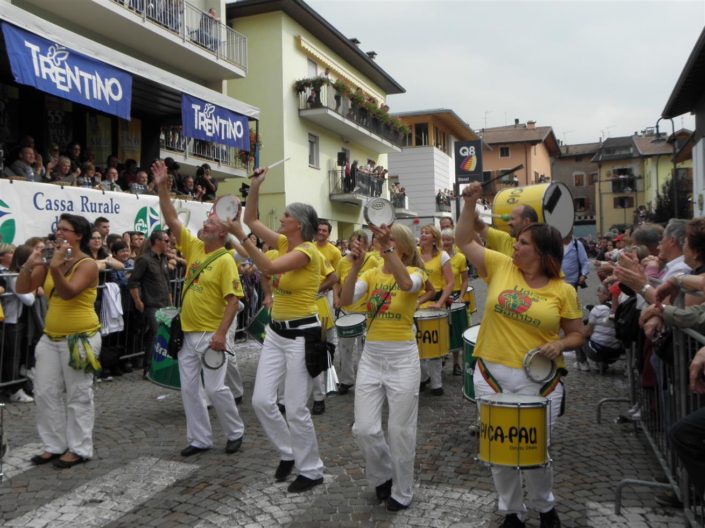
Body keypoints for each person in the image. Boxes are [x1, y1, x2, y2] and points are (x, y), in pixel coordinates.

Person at [455, 181, 584, 528]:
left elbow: (576, 334)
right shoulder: (500, 266)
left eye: (523, 243)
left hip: (539, 380)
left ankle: (545, 508)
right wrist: (469, 204)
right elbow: (464, 240)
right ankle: (511, 512)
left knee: (534, 453)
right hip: (492, 375)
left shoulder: (563, 290)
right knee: (500, 454)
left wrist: (559, 344)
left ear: (542, 253)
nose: (515, 245)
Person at [228, 166, 325, 493]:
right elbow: (252, 218)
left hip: (302, 335)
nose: (280, 220)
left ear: (299, 223)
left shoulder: (306, 252)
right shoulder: (285, 241)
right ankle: (288, 452)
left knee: (296, 408)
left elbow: (266, 266)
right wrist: (256, 184)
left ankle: (311, 469)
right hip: (277, 333)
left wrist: (242, 238)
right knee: (261, 402)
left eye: (285, 216)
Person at [151, 160, 245, 457]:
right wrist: (163, 189)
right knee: (191, 390)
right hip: (187, 334)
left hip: (211, 335)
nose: (204, 224)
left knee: (216, 389)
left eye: (211, 224)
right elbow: (172, 219)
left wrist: (221, 334)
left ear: (221, 235)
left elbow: (233, 301)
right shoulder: (192, 248)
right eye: (206, 221)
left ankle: (235, 431)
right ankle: (200, 438)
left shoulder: (226, 259)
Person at [340, 223, 427, 511]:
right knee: (364, 428)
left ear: (398, 245)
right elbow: (345, 299)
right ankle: (382, 476)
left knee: (400, 430)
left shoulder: (416, 273)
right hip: (372, 357)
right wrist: (356, 265)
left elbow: (405, 285)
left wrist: (387, 249)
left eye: (384, 242)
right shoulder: (371, 273)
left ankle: (402, 491)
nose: (377, 244)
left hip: (402, 358)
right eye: (378, 241)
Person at [17, 213, 102, 469]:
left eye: (65, 229)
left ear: (78, 236)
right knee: (45, 392)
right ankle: (53, 445)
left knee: (78, 394)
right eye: (58, 229)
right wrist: (29, 264)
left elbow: (67, 293)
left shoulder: (86, 264)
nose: (59, 233)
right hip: (51, 337)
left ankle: (79, 448)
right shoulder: (50, 261)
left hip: (80, 338)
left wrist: (54, 266)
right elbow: (23, 288)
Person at [333, 230, 379, 394]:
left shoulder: (372, 260)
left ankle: (364, 380)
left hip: (365, 311)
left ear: (366, 245)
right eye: (354, 242)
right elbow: (336, 282)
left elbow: (377, 281)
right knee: (345, 348)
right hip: (347, 310)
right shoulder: (342, 261)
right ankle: (346, 380)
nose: (356, 246)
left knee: (364, 349)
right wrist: (336, 298)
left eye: (360, 243)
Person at [128, 230, 171, 377]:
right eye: (166, 241)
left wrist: (170, 303)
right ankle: (148, 368)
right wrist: (137, 300)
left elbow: (167, 282)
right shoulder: (144, 260)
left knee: (160, 335)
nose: (168, 244)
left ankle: (158, 365)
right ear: (157, 241)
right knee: (155, 333)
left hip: (164, 303)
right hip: (151, 303)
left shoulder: (164, 259)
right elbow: (133, 281)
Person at [418, 224, 454, 395]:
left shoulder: (442, 255)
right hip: (416, 304)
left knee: (432, 346)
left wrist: (440, 302)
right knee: (418, 345)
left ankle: (436, 382)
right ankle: (422, 378)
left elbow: (450, 282)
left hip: (433, 305)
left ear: (434, 238)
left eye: (427, 233)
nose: (423, 235)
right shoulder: (414, 254)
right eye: (422, 232)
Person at [441, 228, 469, 376]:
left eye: (448, 239)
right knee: (442, 330)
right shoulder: (437, 257)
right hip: (441, 296)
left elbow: (465, 280)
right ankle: (440, 360)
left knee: (457, 331)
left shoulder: (460, 258)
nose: (445, 242)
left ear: (453, 241)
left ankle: (456, 363)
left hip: (455, 296)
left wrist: (462, 296)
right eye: (443, 239)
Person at [474, 202, 539, 257]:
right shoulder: (506, 240)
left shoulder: (540, 248)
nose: (508, 223)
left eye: (512, 219)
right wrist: (470, 209)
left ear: (526, 221)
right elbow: (480, 227)